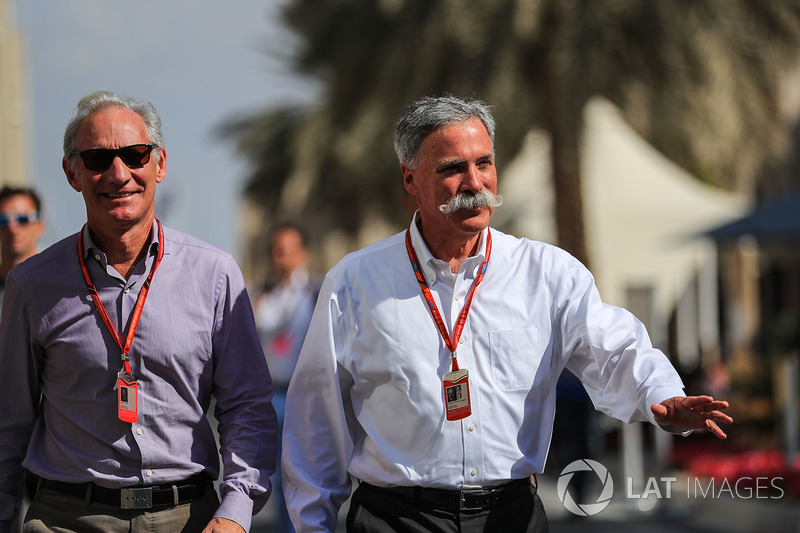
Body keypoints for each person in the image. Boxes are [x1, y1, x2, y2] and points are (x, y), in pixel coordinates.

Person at [281, 94, 733, 532]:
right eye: (453, 169)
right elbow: (316, 420)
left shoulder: (548, 274)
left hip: (511, 516)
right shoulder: (356, 283)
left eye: (484, 163)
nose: (475, 183)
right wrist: (311, 525)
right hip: (396, 519)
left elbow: (613, 347)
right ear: (410, 178)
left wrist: (661, 393)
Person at [0, 91, 277, 533]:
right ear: (73, 173)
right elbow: (9, 424)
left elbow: (247, 405)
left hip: (188, 518)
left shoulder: (215, 274)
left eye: (134, 155)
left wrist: (236, 511)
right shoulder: (32, 286)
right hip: (66, 519)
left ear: (159, 165)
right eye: (97, 159)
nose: (118, 173)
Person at [252, 223, 320, 533]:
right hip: (273, 396)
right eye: (279, 250)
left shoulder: (316, 293)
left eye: (290, 249)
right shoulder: (262, 294)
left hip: (306, 396)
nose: (284, 257)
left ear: (303, 252)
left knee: (310, 475)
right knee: (277, 476)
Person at [0, 186, 45, 323]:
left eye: (23, 220)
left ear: (39, 226)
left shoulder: (59, 286)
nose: (12, 228)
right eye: (3, 221)